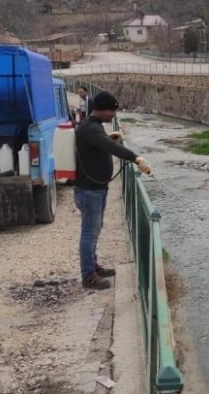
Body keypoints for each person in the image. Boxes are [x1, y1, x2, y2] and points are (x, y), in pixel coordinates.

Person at [74, 91, 151, 290]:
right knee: (89, 233)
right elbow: (109, 147)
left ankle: (93, 266)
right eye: (112, 111)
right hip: (90, 191)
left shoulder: (93, 127)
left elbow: (101, 142)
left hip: (96, 188)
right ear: (101, 109)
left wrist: (109, 137)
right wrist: (136, 158)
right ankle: (88, 276)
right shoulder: (91, 128)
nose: (114, 115)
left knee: (94, 230)